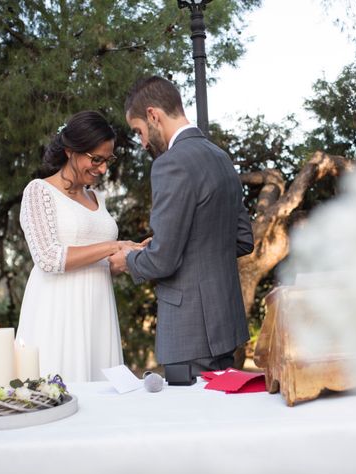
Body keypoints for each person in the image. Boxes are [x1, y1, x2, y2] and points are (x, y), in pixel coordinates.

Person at [109, 76, 254, 374]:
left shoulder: (170, 164)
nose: (143, 143)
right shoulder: (221, 158)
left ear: (153, 115)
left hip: (189, 331)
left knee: (193, 420)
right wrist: (183, 243)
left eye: (139, 131)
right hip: (226, 325)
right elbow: (242, 239)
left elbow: (163, 260)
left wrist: (129, 260)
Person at [17, 111, 142, 382]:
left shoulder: (98, 198)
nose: (102, 169)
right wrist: (112, 245)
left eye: (107, 160)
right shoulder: (39, 192)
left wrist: (130, 254)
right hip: (58, 311)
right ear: (70, 151)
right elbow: (48, 258)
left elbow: (104, 263)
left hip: (98, 311)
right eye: (95, 159)